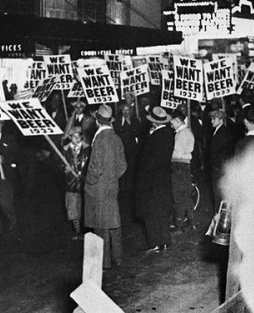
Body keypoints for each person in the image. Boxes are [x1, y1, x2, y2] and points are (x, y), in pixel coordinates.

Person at [83, 105, 127, 268]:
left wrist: (89, 183)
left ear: (97, 121)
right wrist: (112, 178)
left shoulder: (100, 139)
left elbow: (94, 167)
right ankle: (118, 258)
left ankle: (104, 262)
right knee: (114, 223)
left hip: (98, 188)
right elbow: (123, 165)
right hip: (112, 186)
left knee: (101, 225)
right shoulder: (116, 138)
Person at [135, 107, 175, 253]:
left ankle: (155, 243)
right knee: (163, 211)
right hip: (164, 179)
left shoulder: (153, 137)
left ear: (155, 123)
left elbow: (147, 162)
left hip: (151, 181)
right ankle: (165, 241)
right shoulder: (169, 134)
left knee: (151, 212)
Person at [169, 108, 196, 231]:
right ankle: (192, 222)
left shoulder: (180, 134)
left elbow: (178, 153)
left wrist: (168, 153)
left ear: (178, 121)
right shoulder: (188, 132)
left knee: (178, 196)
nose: (171, 125)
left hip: (178, 165)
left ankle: (178, 224)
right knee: (187, 196)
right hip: (186, 165)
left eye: (172, 122)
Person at [61, 126, 90, 240]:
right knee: (73, 208)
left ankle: (87, 232)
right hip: (71, 184)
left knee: (85, 207)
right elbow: (59, 164)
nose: (77, 138)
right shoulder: (65, 150)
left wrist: (83, 173)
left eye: (79, 135)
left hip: (84, 182)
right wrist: (65, 168)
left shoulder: (88, 149)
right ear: (70, 137)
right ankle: (77, 232)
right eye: (74, 136)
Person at [207, 108, 235, 209]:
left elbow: (220, 152)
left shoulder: (222, 133)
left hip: (219, 168)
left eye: (214, 119)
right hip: (220, 167)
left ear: (221, 120)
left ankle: (218, 214)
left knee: (218, 193)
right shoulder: (220, 131)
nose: (211, 121)